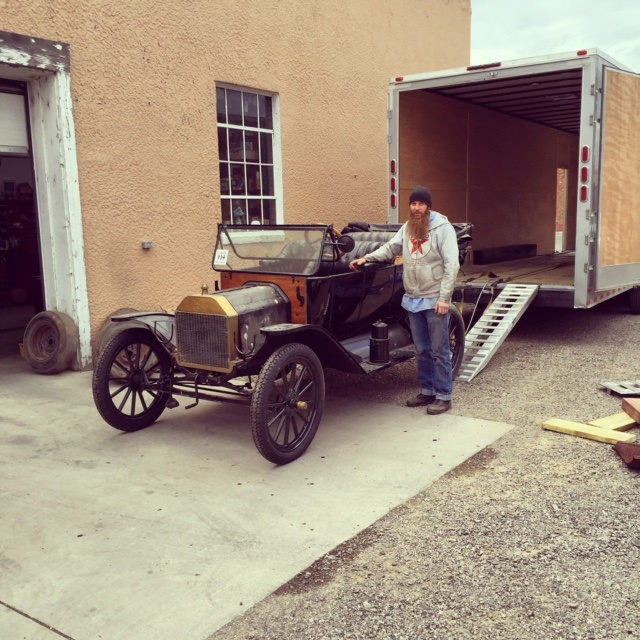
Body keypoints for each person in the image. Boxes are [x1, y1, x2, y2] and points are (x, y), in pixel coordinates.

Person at [349, 186, 459, 414]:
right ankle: (427, 391)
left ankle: (444, 396)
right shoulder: (408, 228)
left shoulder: (443, 229)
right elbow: (390, 248)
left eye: (421, 204)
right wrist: (366, 258)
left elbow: (452, 265)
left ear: (429, 206)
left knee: (440, 350)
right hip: (414, 298)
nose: (416, 208)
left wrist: (444, 298)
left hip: (435, 298)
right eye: (413, 204)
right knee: (422, 349)